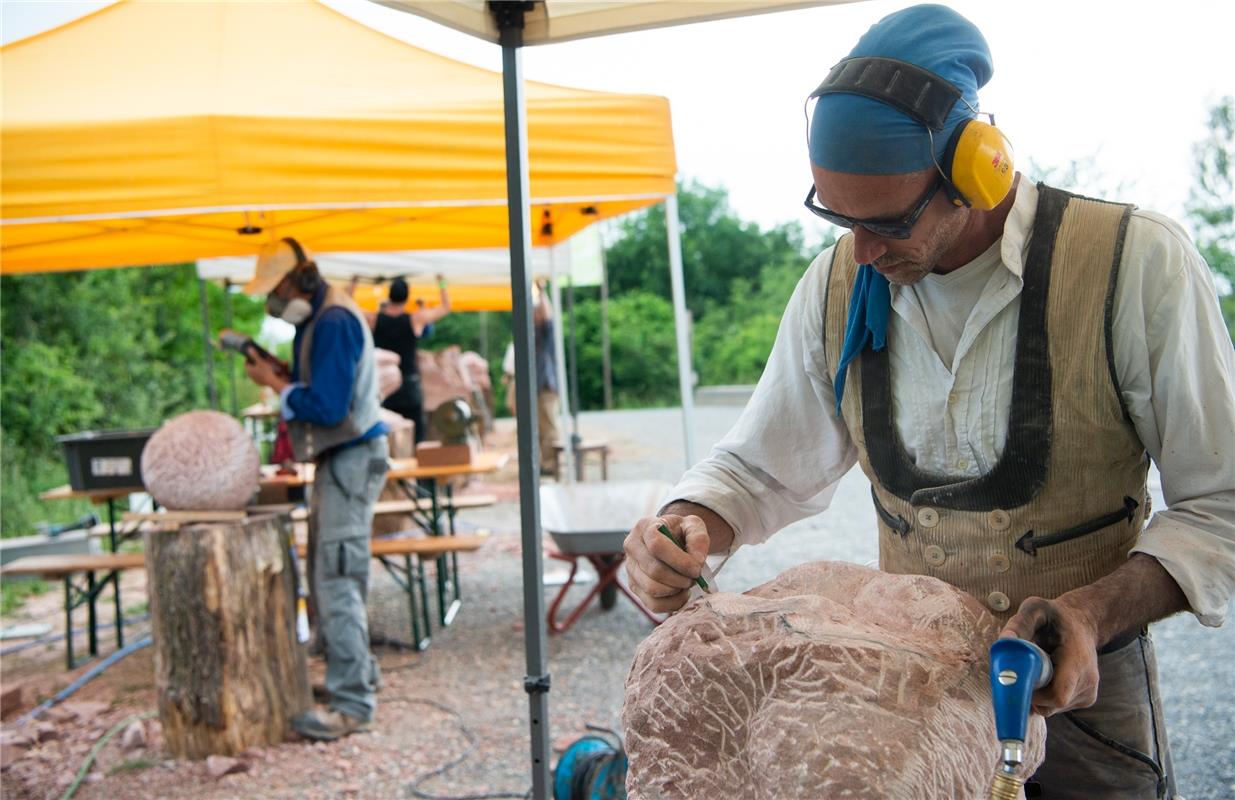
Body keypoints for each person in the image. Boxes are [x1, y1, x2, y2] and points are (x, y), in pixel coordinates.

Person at [621, 6, 1235, 799]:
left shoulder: (1133, 264)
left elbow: (1219, 502)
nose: (864, 251)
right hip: (903, 699)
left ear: (976, 170)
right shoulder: (839, 283)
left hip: (1076, 684)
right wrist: (690, 525)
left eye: (887, 221)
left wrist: (1090, 612)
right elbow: (758, 466)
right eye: (839, 217)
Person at [242, 237, 389, 741]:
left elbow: (327, 407)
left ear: (302, 279)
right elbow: (326, 391)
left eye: (277, 289)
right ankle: (357, 677)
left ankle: (352, 704)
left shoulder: (332, 321)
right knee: (331, 571)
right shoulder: (320, 318)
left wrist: (278, 387)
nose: (274, 302)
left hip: (350, 457)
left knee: (336, 577)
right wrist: (283, 379)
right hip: (341, 458)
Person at [362, 275, 450, 444]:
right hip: (409, 384)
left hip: (384, 386)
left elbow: (350, 307)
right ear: (407, 297)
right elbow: (445, 307)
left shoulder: (374, 319)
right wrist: (441, 282)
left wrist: (353, 283)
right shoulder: (414, 319)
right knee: (417, 438)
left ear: (389, 296)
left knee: (386, 437)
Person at [533, 279, 562, 477]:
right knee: (542, 429)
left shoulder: (546, 331)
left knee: (550, 427)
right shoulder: (535, 333)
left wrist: (542, 291)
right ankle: (546, 463)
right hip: (539, 386)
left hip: (547, 385)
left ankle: (552, 465)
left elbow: (548, 315)